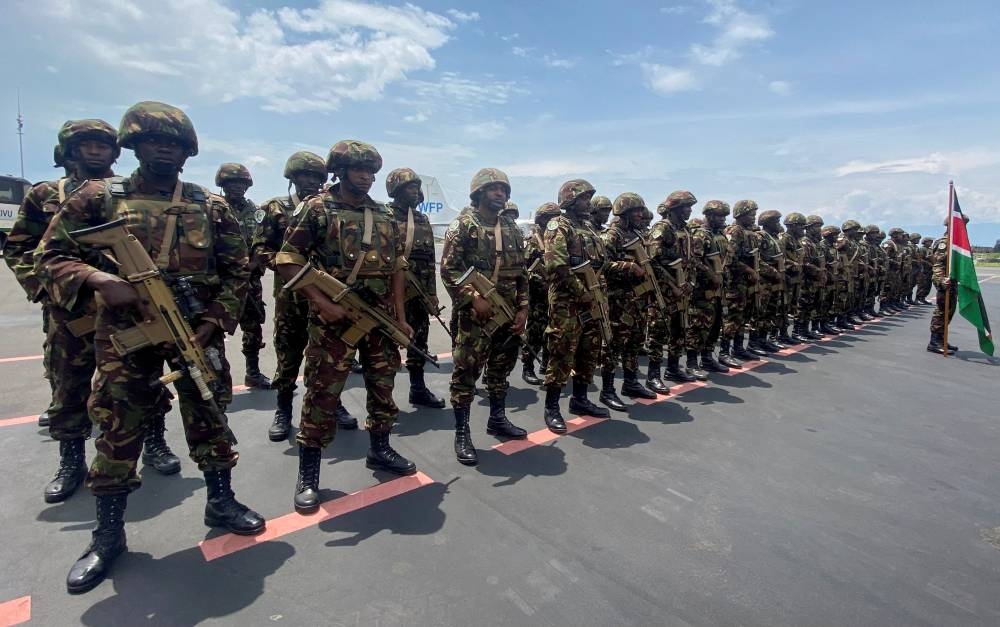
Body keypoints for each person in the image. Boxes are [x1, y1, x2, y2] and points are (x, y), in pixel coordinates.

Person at [36, 101, 265, 594]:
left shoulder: (210, 204)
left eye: (175, 143)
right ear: (134, 146)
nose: (165, 149)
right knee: (119, 427)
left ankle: (221, 501)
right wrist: (98, 277)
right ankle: (108, 535)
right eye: (154, 140)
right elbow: (49, 258)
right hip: (126, 334)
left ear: (188, 152)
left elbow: (237, 269)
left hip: (193, 330)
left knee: (210, 415)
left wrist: (213, 321)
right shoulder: (97, 197)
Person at [5, 119, 181, 506]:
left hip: (130, 312)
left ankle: (155, 443)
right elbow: (22, 249)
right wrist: (51, 293)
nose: (97, 151)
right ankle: (71, 463)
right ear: (69, 151)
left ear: (117, 152)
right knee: (68, 385)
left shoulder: (126, 194)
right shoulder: (45, 194)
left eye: (104, 145)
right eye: (87, 144)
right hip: (72, 312)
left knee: (143, 383)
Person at [276, 140, 416, 514]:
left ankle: (381, 448)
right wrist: (322, 303)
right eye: (358, 170)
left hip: (380, 321)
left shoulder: (384, 215)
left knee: (383, 387)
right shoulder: (317, 209)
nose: (366, 177)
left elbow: (397, 270)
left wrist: (400, 318)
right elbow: (287, 260)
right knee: (322, 393)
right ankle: (309, 474)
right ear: (340, 170)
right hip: (333, 322)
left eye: (371, 171)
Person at [255, 152, 358, 440]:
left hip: (329, 300)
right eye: (305, 176)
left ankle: (332, 404)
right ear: (293, 178)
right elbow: (260, 250)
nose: (311, 182)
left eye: (317, 177)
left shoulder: (330, 209)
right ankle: (283, 409)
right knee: (288, 355)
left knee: (329, 357)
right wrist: (293, 267)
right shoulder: (275, 209)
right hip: (292, 298)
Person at [440, 168, 529, 465]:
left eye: (503, 189)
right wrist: (471, 298)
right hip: (476, 317)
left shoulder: (513, 228)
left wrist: (523, 307)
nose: (500, 194)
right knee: (466, 374)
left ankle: (498, 419)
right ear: (478, 193)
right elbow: (449, 269)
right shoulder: (464, 225)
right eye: (493, 189)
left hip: (507, 314)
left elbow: (522, 275)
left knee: (501, 370)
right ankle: (462, 433)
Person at [541, 179, 611, 433]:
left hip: (591, 301)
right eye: (583, 198)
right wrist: (582, 292)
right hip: (567, 303)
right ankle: (552, 407)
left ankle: (580, 399)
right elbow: (556, 266)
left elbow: (600, 264)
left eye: (588, 198)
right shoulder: (558, 226)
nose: (588, 203)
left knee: (589, 350)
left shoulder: (589, 229)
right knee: (562, 352)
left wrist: (597, 295)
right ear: (569, 200)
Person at [385, 168, 446, 409]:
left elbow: (429, 260)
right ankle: (384, 398)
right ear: (397, 190)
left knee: (419, 343)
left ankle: (417, 389)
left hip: (418, 294)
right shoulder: (384, 215)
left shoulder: (421, 219)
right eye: (411, 187)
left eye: (417, 187)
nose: (416, 191)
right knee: (388, 346)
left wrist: (431, 294)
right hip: (391, 294)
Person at [215, 163, 272, 389]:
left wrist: (255, 263)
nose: (237, 187)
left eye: (241, 183)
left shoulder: (257, 212)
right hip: (220, 281)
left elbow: (263, 242)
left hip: (250, 280)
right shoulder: (213, 208)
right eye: (231, 183)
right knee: (214, 328)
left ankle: (253, 372)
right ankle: (216, 377)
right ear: (223, 185)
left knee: (253, 327)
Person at [599, 192, 658, 409]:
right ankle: (607, 390)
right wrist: (628, 267)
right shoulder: (611, 236)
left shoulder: (639, 235)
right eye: (636, 211)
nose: (640, 214)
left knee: (635, 342)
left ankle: (631, 382)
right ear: (624, 212)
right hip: (618, 301)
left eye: (641, 211)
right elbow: (601, 265)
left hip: (639, 299)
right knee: (614, 345)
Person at [648, 190, 701, 385]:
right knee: (658, 332)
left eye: (689, 207)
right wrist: (672, 285)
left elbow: (692, 261)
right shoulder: (662, 229)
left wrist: (690, 283)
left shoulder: (686, 230)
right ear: (674, 209)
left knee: (679, 330)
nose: (688, 211)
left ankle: (673, 368)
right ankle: (653, 376)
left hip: (683, 290)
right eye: (685, 207)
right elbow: (653, 262)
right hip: (664, 292)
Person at [689, 200, 735, 370]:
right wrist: (711, 275)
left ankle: (707, 358)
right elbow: (694, 260)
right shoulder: (701, 235)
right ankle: (692, 362)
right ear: (709, 216)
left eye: (724, 216)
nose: (723, 219)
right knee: (698, 326)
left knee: (716, 324)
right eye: (719, 216)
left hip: (719, 289)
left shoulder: (721, 235)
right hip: (702, 290)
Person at [521, 202, 561, 385]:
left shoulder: (554, 240)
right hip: (538, 297)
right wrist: (541, 281)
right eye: (552, 217)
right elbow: (525, 272)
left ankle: (546, 363)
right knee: (535, 332)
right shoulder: (533, 243)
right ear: (543, 219)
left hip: (554, 296)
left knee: (551, 333)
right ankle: (527, 367)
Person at [721, 200, 761, 362]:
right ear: (740, 215)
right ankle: (724, 352)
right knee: (732, 318)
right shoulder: (735, 231)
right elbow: (730, 259)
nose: (753, 218)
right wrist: (749, 270)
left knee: (743, 317)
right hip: (734, 283)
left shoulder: (748, 232)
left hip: (746, 283)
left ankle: (738, 348)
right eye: (750, 215)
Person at [927, 216, 966, 354]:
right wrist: (941, 281)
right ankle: (934, 342)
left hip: (953, 282)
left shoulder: (956, 243)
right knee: (942, 311)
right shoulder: (945, 243)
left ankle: (942, 338)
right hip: (945, 282)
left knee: (949, 311)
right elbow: (938, 265)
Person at [916, 236, 934, 305]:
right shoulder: (922, 249)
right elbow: (920, 259)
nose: (931, 243)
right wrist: (928, 263)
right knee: (922, 285)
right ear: (925, 242)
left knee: (928, 285)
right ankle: (918, 298)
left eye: (931, 242)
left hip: (930, 270)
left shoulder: (930, 249)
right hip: (923, 270)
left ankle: (923, 298)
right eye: (929, 241)